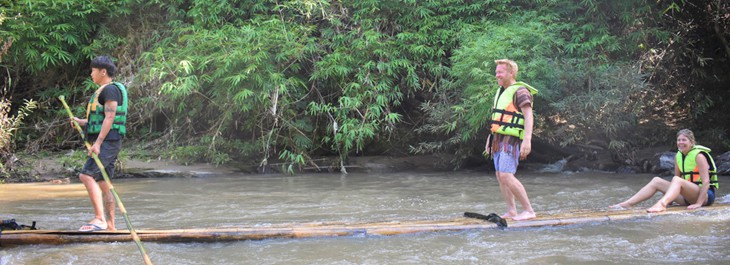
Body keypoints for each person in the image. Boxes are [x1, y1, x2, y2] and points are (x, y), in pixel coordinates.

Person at [71, 56, 128, 231]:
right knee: (104, 182)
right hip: (110, 140)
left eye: (93, 71)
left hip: (107, 142)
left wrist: (97, 143)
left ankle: (99, 219)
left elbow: (110, 117)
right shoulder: (106, 90)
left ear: (103, 71)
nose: (91, 74)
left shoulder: (110, 90)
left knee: (86, 175)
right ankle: (111, 225)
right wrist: (82, 122)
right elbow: (102, 119)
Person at [610, 129, 719, 212]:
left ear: (692, 142)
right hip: (688, 197)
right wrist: (672, 198)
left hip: (705, 196)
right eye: (679, 140)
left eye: (684, 140)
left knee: (677, 179)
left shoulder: (699, 156)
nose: (681, 142)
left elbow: (706, 182)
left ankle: (662, 204)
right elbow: (675, 181)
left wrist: (699, 203)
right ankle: (628, 204)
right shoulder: (678, 156)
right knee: (656, 180)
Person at [486, 59, 539, 221]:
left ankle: (529, 210)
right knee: (499, 174)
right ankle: (511, 210)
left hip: (512, 140)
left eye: (500, 72)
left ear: (511, 73)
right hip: (498, 138)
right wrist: (490, 138)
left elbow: (528, 117)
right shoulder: (501, 91)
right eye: (496, 72)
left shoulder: (520, 91)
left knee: (506, 175)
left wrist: (527, 140)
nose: (497, 75)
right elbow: (497, 118)